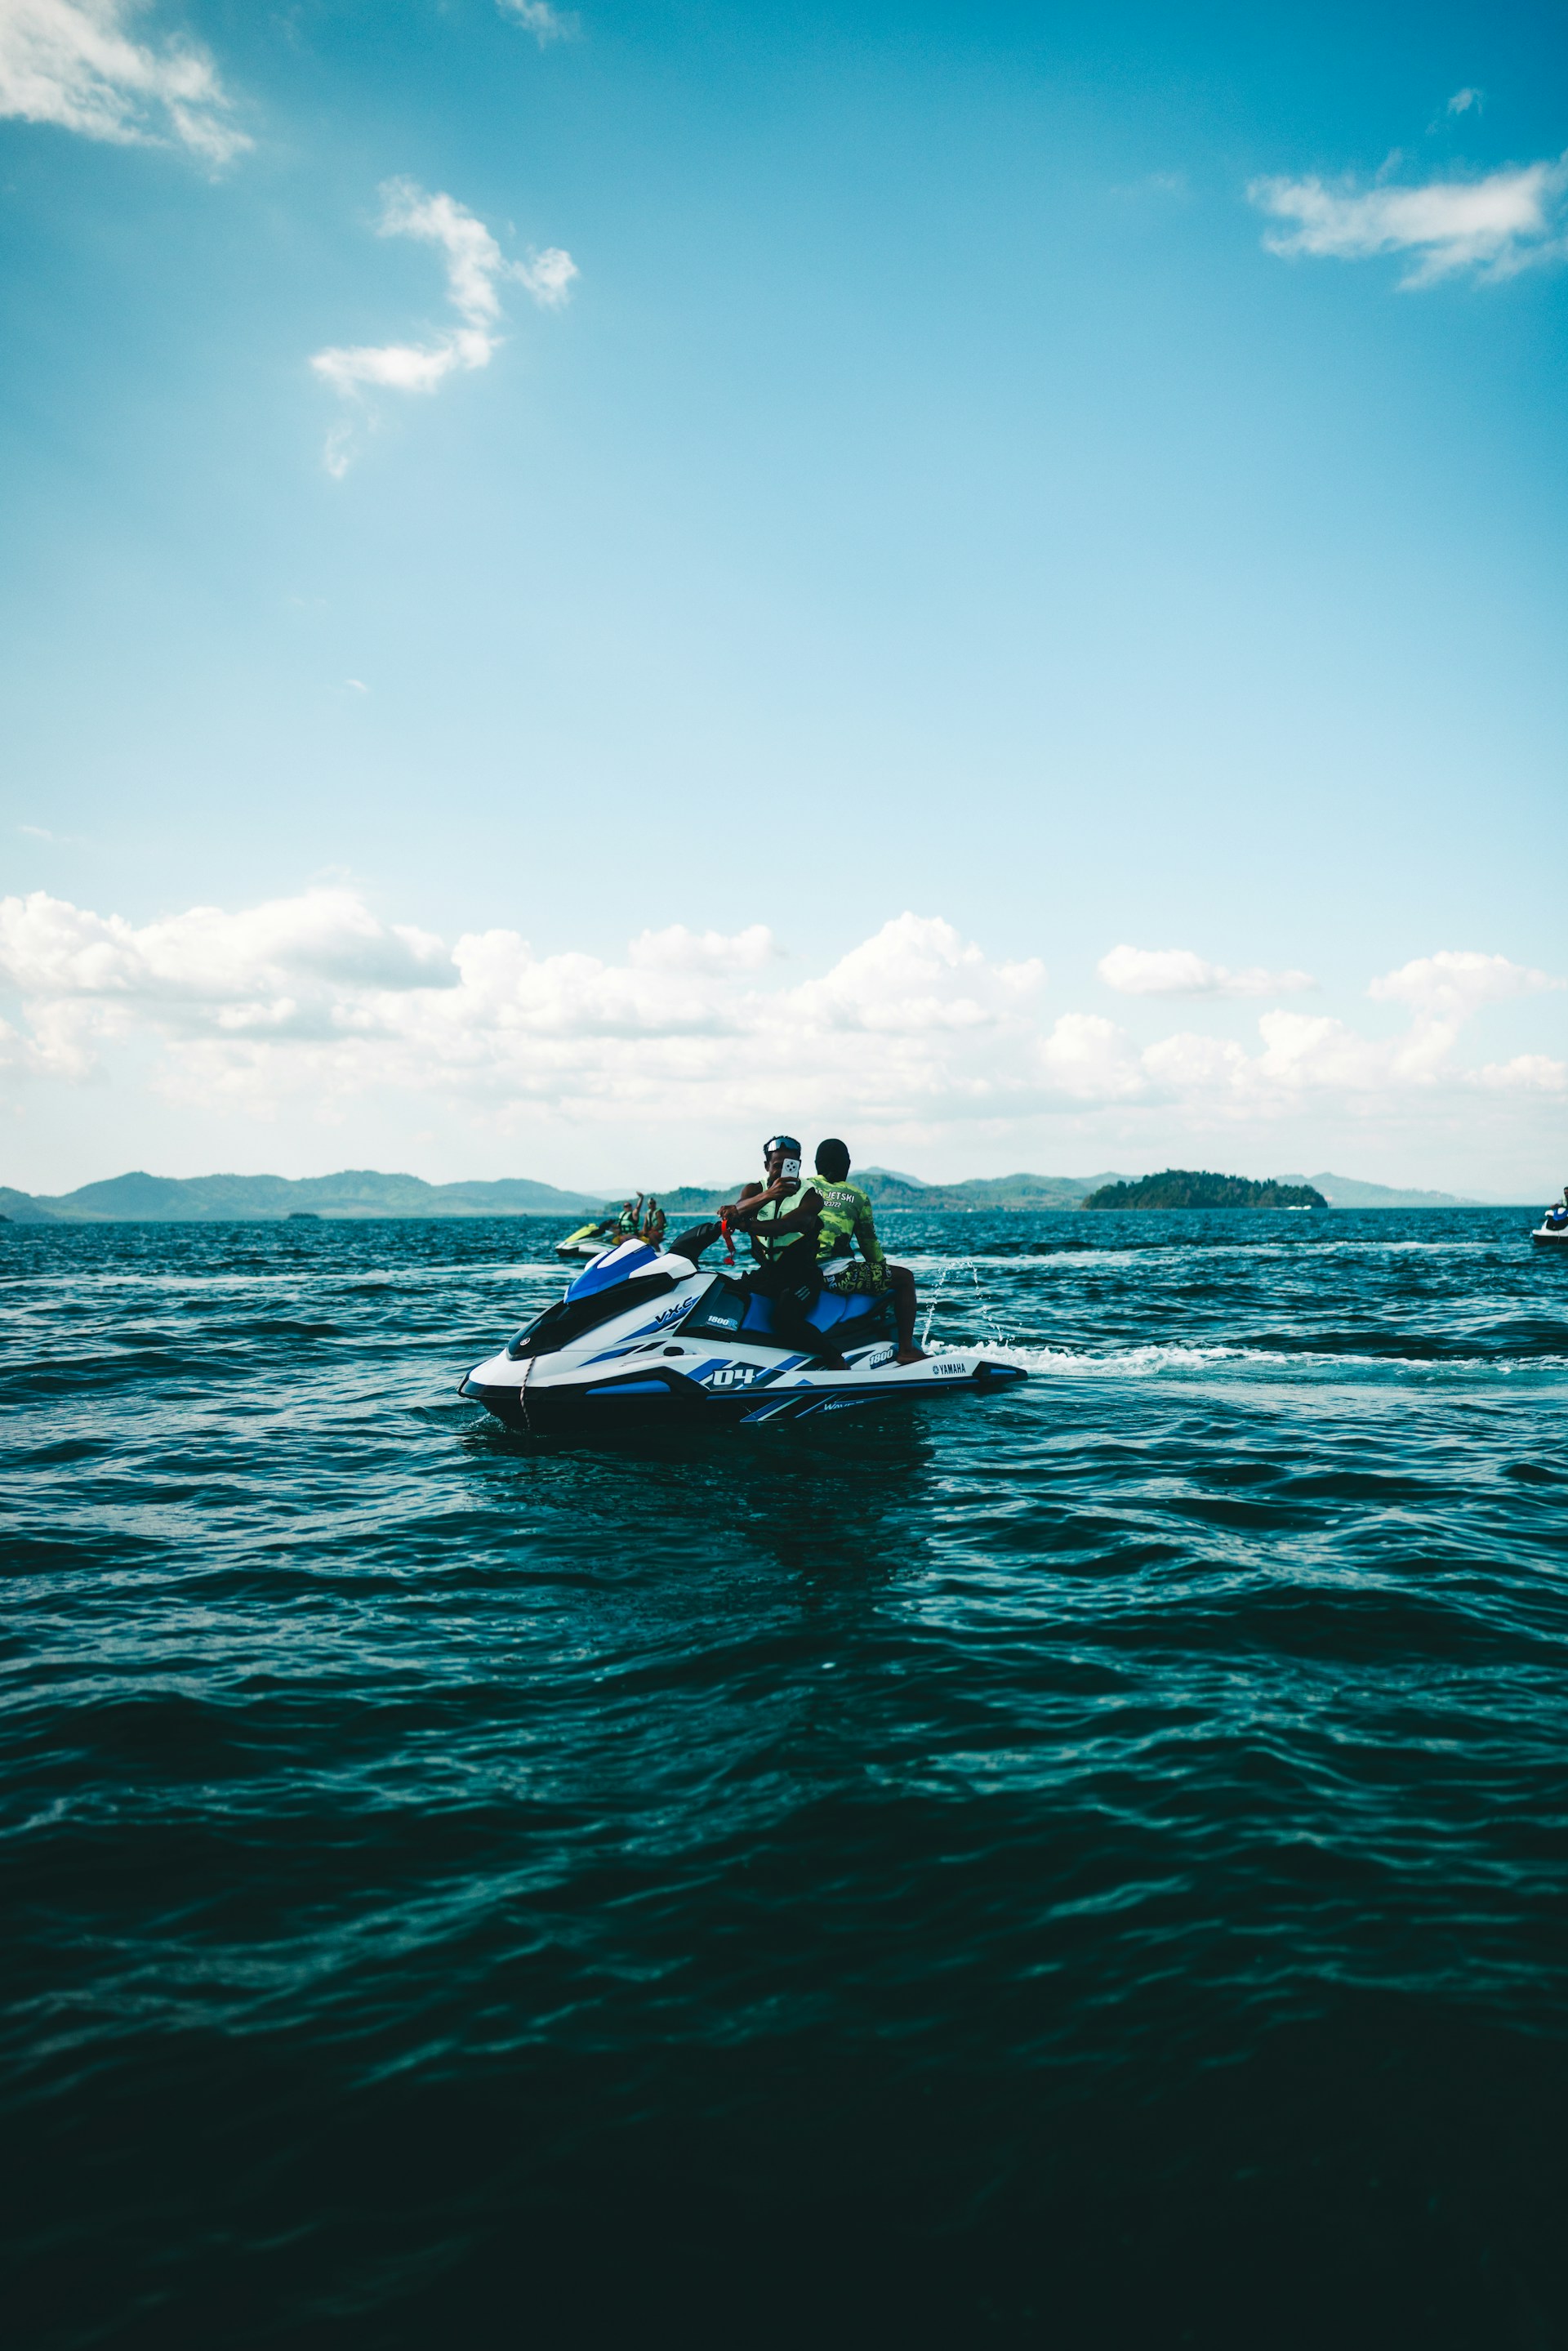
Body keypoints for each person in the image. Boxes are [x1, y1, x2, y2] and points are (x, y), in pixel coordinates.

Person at [671, 1135, 843, 1363]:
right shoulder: (754, 1190)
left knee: (785, 1318)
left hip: (801, 1277)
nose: (782, 1170)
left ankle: (835, 1360)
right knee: (720, 1294)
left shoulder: (811, 1197)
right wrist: (769, 1194)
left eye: (789, 1165)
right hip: (767, 1276)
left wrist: (747, 1224)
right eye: (777, 1165)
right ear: (766, 1166)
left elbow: (787, 1225)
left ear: (799, 1165)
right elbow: (738, 1209)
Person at [811, 1137, 925, 1364]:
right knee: (905, 1279)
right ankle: (905, 1350)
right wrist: (881, 1271)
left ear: (816, 1164)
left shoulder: (802, 1188)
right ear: (847, 1165)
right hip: (836, 1276)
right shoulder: (857, 1197)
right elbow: (869, 1245)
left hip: (801, 1273)